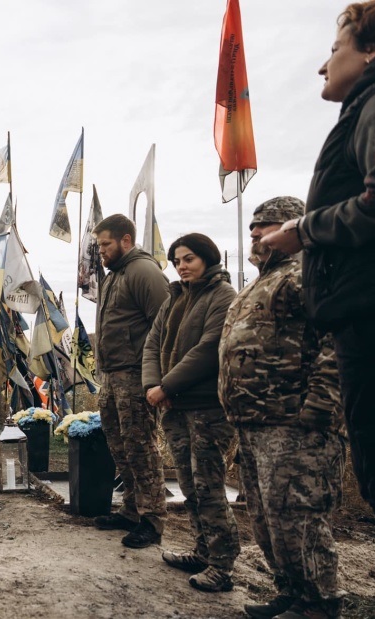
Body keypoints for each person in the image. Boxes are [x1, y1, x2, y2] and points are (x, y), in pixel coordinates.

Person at [260, 3, 375, 616]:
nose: (323, 62)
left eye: (335, 46)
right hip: (371, 316)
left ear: (372, 49)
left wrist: (304, 228)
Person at [220, 197, 345, 619]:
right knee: (267, 519)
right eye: (252, 226)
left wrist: (321, 404)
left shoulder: (308, 274)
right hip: (255, 423)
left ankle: (320, 603)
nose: (254, 233)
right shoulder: (261, 282)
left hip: (295, 422)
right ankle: (291, 593)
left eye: (266, 225)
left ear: (293, 230)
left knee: (298, 517)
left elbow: (336, 340)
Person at [142, 233, 239, 593]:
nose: (182, 266)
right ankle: (201, 551)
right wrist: (154, 385)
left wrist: (166, 386)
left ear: (208, 259)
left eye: (189, 259)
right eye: (177, 260)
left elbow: (209, 348)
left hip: (207, 408)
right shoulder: (175, 298)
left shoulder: (223, 297)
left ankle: (222, 565)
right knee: (188, 485)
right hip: (175, 405)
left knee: (209, 486)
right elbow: (153, 343)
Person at [91, 214, 170, 549]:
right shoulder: (113, 277)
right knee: (118, 444)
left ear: (126, 240)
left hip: (136, 376)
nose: (101, 252)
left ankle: (152, 520)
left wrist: (156, 379)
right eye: (98, 246)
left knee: (140, 446)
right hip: (111, 375)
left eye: (105, 244)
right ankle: (131, 509)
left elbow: (164, 326)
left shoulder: (144, 272)